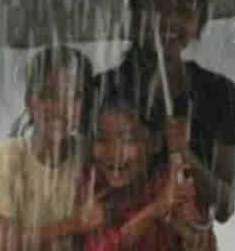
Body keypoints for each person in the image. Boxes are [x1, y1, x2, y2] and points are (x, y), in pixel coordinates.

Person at [94, 0, 235, 228]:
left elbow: (224, 207)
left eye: (184, 7)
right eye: (157, 7)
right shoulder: (102, 91)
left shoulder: (219, 93)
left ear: (199, 18)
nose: (170, 19)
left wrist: (186, 156)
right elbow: (89, 195)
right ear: (135, 16)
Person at [0, 46, 99, 251]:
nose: (60, 108)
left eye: (73, 96)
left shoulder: (86, 155)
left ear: (84, 105)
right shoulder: (10, 157)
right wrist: (75, 224)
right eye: (48, 95)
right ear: (29, 102)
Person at [83, 93, 216, 251]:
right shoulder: (92, 185)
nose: (113, 153)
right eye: (101, 139)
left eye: (127, 140)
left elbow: (202, 242)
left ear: (154, 143)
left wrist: (190, 235)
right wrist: (155, 209)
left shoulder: (172, 183)